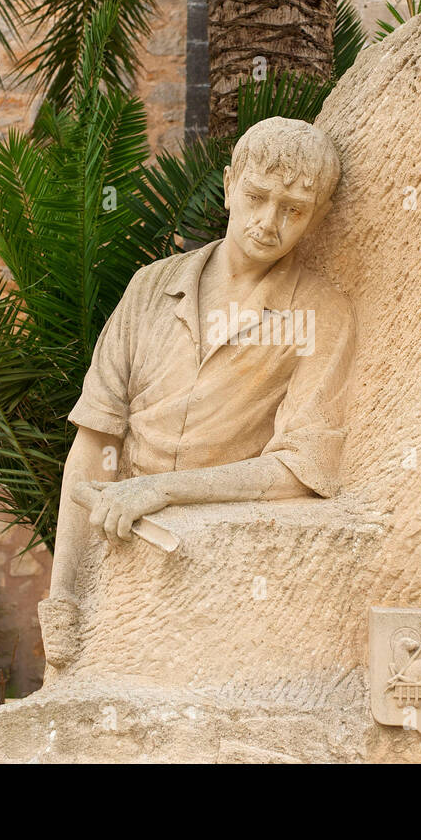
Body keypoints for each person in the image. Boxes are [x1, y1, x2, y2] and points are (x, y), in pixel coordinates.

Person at [42, 116, 356, 665]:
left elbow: (302, 471)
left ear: (319, 217)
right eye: (257, 196)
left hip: (228, 562)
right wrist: (63, 593)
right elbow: (93, 443)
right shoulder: (150, 286)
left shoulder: (320, 312)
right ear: (230, 184)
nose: (268, 222)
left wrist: (165, 490)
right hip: (116, 556)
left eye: (294, 210)